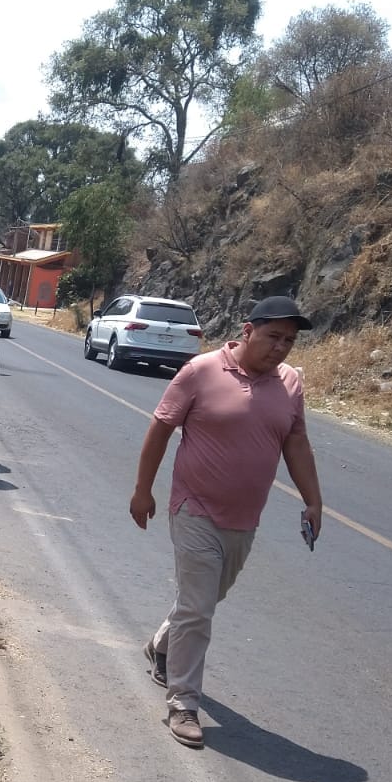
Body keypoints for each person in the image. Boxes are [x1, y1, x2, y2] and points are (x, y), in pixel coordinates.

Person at [128, 295, 324, 749]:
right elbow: (160, 429)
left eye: (290, 341)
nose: (281, 348)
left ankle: (161, 644)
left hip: (244, 519)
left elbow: (297, 443)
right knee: (198, 608)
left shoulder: (290, 383)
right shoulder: (201, 371)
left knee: (206, 599)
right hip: (193, 508)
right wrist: (143, 489)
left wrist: (314, 501)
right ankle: (183, 703)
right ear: (248, 330)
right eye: (274, 337)